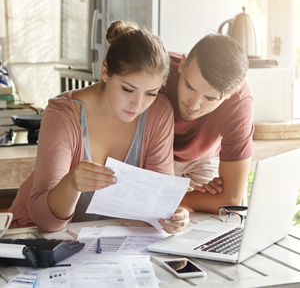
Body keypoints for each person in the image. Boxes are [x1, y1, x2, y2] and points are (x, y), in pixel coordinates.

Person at [9, 20, 189, 234]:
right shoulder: (62, 114)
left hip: (101, 243)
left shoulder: (159, 112)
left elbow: (154, 206)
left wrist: (172, 216)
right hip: (33, 238)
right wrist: (71, 184)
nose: (138, 104)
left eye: (150, 93)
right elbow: (45, 223)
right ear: (105, 71)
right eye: (128, 89)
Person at [163, 32, 254, 213]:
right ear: (182, 64)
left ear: (230, 94)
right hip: (152, 156)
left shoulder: (239, 102)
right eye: (189, 86)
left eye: (210, 98)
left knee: (208, 225)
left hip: (202, 160)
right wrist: (174, 196)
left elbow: (231, 200)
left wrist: (167, 197)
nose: (193, 105)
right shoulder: (158, 70)